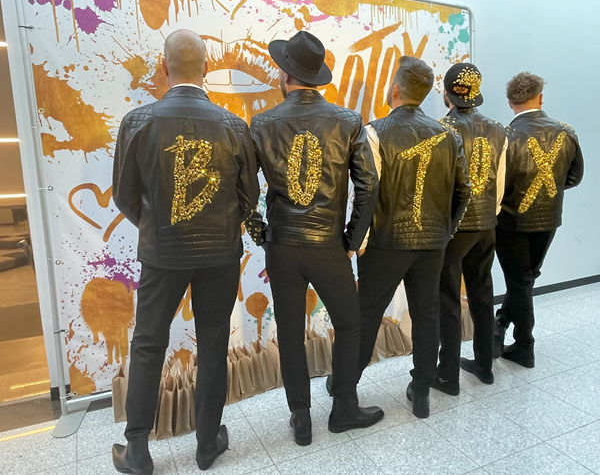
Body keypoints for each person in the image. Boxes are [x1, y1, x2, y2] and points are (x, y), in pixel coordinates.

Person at [111, 29, 259, 474]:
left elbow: (124, 196)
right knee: (213, 342)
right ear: (207, 69)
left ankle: (138, 449)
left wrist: (156, 227)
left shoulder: (137, 121)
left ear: (163, 67)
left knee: (148, 343)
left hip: (162, 253)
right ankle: (208, 443)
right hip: (220, 253)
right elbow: (248, 197)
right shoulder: (234, 125)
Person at [245, 30, 383, 446]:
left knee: (290, 332)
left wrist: (260, 232)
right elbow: (369, 185)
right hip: (328, 244)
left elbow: (241, 187)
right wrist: (352, 240)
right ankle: (344, 408)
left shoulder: (262, 123)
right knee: (349, 324)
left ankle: (301, 418)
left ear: (285, 75)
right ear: (316, 76)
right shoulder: (348, 120)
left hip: (282, 245)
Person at [357, 56, 470, 419]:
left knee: (366, 315)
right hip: (432, 242)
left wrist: (358, 241)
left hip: (386, 243)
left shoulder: (374, 132)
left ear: (394, 90)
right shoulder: (449, 135)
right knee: (426, 316)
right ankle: (421, 392)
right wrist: (445, 231)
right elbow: (464, 191)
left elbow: (366, 193)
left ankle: (344, 383)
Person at [494, 72, 584, 368]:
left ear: (510, 102)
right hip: (549, 220)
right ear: (541, 98)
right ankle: (503, 324)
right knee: (526, 278)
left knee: (520, 280)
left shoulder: (504, 137)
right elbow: (574, 177)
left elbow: (498, 185)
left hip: (511, 222)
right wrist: (548, 193)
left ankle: (523, 345)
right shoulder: (566, 132)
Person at [433, 63, 507, 394]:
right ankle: (485, 364)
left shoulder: (440, 130)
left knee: (448, 299)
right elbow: (500, 182)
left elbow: (439, 186)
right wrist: (491, 213)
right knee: (482, 292)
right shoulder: (499, 129)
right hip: (487, 224)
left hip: (454, 227)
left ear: (446, 93)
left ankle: (448, 375)